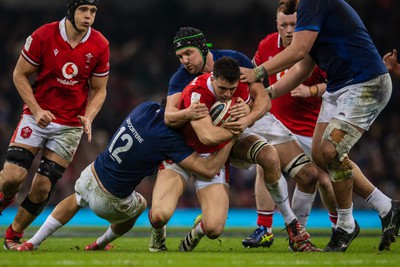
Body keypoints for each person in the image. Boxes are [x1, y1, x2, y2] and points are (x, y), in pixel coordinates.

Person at [240, 0, 398, 252]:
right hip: (339, 86)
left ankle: (345, 224)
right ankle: (386, 207)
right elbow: (302, 68)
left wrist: (257, 73)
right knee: (321, 157)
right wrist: (267, 94)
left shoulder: (314, 2)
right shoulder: (307, 13)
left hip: (364, 82)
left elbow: (298, 52)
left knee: (328, 152)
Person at [149, 27, 319, 253]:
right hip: (187, 147)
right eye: (180, 57)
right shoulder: (184, 81)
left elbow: (263, 100)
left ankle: (291, 224)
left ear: (202, 47)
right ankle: (158, 233)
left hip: (225, 138)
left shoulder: (235, 62)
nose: (184, 61)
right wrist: (189, 113)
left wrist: (246, 118)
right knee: (160, 215)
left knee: (270, 157)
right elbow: (177, 121)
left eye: (188, 54)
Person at [16, 100, 236, 251]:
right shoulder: (170, 140)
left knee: (76, 198)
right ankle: (100, 243)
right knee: (140, 204)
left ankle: (33, 242)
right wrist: (230, 136)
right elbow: (207, 169)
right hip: (109, 200)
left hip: (93, 172)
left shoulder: (146, 107)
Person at [0, 0, 111, 250]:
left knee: (42, 187)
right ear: (71, 11)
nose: (88, 16)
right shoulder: (44, 35)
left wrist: (89, 117)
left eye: (93, 11)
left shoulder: (100, 44)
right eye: (83, 10)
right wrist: (37, 110)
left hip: (70, 125)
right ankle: (4, 198)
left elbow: (99, 90)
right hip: (36, 117)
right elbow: (19, 74)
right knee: (12, 178)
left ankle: (13, 236)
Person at [242, 6, 338, 249]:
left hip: (312, 130)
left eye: (294, 24)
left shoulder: (314, 48)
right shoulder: (266, 46)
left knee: (322, 180)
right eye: (283, 25)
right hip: (279, 125)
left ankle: (334, 226)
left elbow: (338, 83)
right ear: (276, 24)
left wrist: (312, 90)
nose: (288, 30)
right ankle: (265, 228)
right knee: (266, 163)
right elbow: (253, 75)